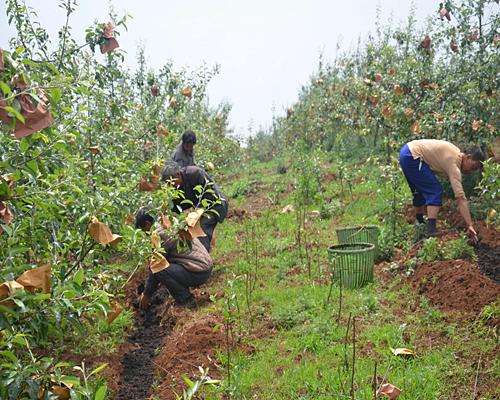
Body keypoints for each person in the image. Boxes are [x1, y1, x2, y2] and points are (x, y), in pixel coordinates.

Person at [399, 139, 485, 240]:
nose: (471, 171)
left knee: (420, 191)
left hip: (407, 152)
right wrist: (470, 224)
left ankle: (420, 223)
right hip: (413, 155)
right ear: (468, 157)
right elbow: (461, 198)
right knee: (435, 190)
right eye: (473, 167)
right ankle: (431, 231)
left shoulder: (455, 154)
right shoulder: (454, 165)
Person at [135, 208, 212, 309]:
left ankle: (186, 300)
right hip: (205, 267)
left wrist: (146, 295)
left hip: (198, 272)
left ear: (147, 224)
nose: (145, 234)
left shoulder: (158, 235)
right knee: (162, 268)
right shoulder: (168, 222)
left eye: (143, 230)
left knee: (160, 270)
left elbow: (156, 268)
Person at [161, 161, 228, 252]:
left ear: (178, 174)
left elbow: (209, 195)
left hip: (215, 204)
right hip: (199, 209)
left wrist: (195, 213)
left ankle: (203, 259)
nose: (171, 185)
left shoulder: (195, 173)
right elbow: (176, 209)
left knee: (202, 230)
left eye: (172, 181)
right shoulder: (175, 189)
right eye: (168, 183)